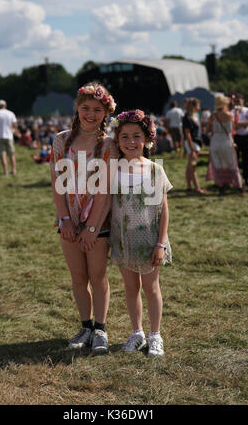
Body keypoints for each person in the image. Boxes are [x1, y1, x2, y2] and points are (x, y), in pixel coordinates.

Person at [50, 83, 118, 354]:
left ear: (105, 112)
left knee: (98, 275)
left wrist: (91, 227)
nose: (91, 114)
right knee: (78, 276)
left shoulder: (108, 145)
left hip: (97, 221)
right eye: (86, 108)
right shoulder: (61, 139)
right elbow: (57, 183)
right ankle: (85, 326)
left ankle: (100, 328)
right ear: (77, 108)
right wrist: (64, 219)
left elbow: (105, 191)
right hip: (68, 219)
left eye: (97, 110)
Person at [110, 110, 172, 357]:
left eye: (136, 136)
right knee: (130, 287)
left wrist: (161, 243)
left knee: (151, 287)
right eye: (124, 136)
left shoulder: (155, 170)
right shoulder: (113, 170)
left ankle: (155, 335)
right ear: (118, 140)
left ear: (147, 139)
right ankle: (137, 333)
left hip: (149, 241)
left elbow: (164, 210)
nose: (130, 142)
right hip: (122, 240)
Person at [206, 95, 242, 195]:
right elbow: (234, 128)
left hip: (215, 141)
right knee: (231, 164)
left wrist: (215, 129)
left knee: (217, 164)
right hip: (227, 140)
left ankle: (221, 186)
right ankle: (238, 185)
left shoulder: (213, 116)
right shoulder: (230, 115)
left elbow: (207, 130)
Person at [182, 98, 206, 194]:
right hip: (192, 144)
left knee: (189, 166)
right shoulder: (187, 118)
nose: (199, 107)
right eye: (198, 105)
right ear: (194, 106)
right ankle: (197, 188)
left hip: (195, 143)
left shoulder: (194, 116)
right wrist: (192, 149)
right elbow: (187, 134)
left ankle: (189, 186)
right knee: (193, 167)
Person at [231, 94, 248, 189]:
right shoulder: (232, 111)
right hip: (236, 137)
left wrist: (239, 124)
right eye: (235, 100)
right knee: (235, 159)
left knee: (246, 159)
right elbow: (232, 125)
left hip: (245, 137)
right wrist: (244, 124)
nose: (237, 102)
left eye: (238, 100)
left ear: (243, 101)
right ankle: (236, 180)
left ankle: (246, 179)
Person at [0, 100, 17, 176]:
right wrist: (12, 130)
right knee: (11, 154)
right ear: (5, 105)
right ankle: (14, 170)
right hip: (9, 136)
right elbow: (15, 125)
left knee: (2, 154)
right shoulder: (10, 113)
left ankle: (6, 171)